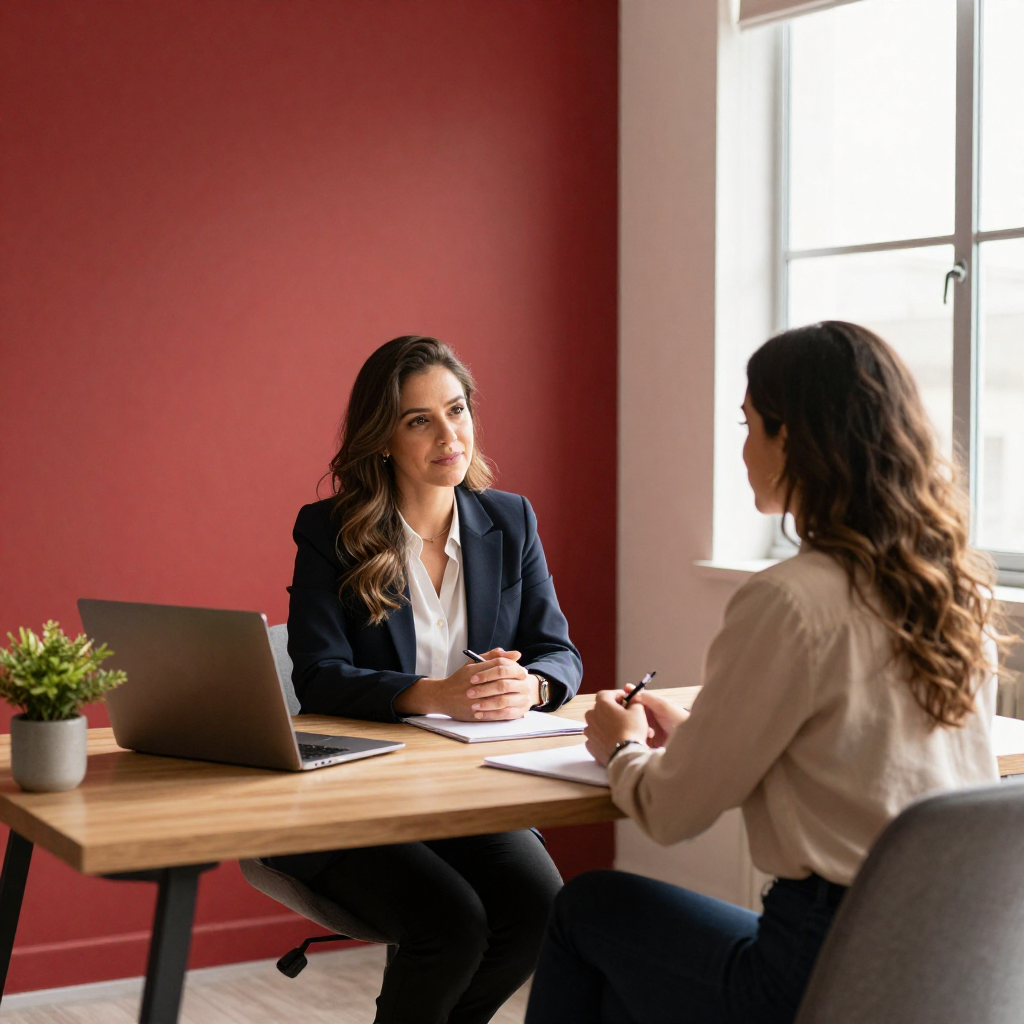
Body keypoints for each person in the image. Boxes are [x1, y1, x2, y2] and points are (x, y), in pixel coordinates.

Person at [525, 321, 1007, 1024]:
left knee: (587, 909)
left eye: (750, 424)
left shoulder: (789, 599)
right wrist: (695, 732)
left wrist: (622, 746)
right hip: (949, 965)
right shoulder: (954, 591)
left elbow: (672, 812)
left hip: (813, 967)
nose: (744, 447)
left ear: (792, 439)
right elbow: (852, 758)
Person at [269, 335, 581, 1024]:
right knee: (454, 927)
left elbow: (559, 654)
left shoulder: (511, 520)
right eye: (421, 420)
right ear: (383, 438)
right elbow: (318, 677)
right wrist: (432, 695)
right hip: (354, 798)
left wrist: (529, 686)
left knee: (537, 913)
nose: (450, 434)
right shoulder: (330, 532)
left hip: (466, 792)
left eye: (458, 410)